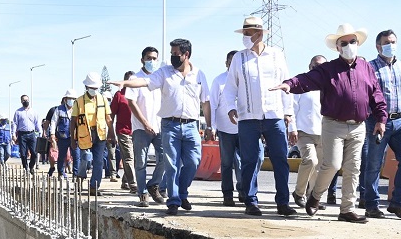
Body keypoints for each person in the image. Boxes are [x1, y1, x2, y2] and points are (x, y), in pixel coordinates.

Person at [273, 23, 388, 224]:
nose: (349, 45)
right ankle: (316, 196)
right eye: (344, 43)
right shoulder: (328, 69)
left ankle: (347, 209)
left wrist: (381, 118)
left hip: (359, 126)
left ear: (358, 43)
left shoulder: (366, 68)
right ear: (337, 47)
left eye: (352, 41)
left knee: (353, 168)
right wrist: (289, 85)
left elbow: (376, 94)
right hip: (333, 125)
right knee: (332, 164)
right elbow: (307, 79)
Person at [113, 38, 210, 216]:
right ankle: (172, 200)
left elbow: (206, 102)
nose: (172, 57)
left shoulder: (199, 75)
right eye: (172, 53)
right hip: (168, 125)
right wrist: (125, 83)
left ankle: (182, 192)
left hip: (190, 126)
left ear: (186, 55)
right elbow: (143, 82)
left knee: (193, 161)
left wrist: (210, 126)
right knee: (170, 164)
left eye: (176, 54)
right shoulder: (164, 73)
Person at [223, 17, 297, 217]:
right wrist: (230, 107)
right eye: (244, 33)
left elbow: (286, 84)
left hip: (274, 115)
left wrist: (288, 113)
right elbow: (231, 87)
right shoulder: (239, 58)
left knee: (280, 159)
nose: (246, 37)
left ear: (260, 33)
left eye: (249, 33)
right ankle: (251, 200)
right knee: (249, 160)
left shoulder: (276, 55)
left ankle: (283, 202)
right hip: (248, 117)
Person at [364, 29, 401, 220]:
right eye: (387, 42)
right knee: (374, 164)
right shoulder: (369, 68)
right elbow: (366, 96)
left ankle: (398, 203)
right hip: (378, 122)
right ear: (378, 46)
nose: (391, 45)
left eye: (393, 42)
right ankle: (371, 204)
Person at [126, 46, 166, 208]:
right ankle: (142, 193)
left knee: (165, 158)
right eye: (149, 58)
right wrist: (145, 123)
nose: (152, 61)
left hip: (159, 127)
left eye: (155, 58)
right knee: (140, 162)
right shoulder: (136, 79)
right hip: (141, 128)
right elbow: (131, 102)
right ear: (142, 59)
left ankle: (154, 184)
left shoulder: (159, 78)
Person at [291, 54, 329, 208]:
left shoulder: (330, 86)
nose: (318, 69)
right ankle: (298, 193)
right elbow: (292, 109)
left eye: (322, 66)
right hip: (303, 132)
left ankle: (313, 198)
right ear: (309, 66)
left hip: (324, 133)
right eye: (315, 66)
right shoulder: (301, 84)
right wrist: (292, 129)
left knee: (318, 169)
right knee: (310, 161)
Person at [70, 72, 115, 195]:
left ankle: (94, 186)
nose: (94, 90)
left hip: (100, 134)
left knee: (99, 161)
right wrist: (72, 139)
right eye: (92, 88)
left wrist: (112, 135)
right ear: (86, 87)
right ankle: (80, 175)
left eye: (96, 88)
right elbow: (73, 121)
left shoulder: (103, 99)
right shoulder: (79, 102)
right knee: (86, 158)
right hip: (84, 135)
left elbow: (108, 119)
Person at [210, 50, 242, 206]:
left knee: (246, 162)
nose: (232, 64)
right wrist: (213, 126)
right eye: (230, 62)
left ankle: (244, 191)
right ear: (226, 63)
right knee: (227, 163)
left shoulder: (245, 79)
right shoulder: (219, 81)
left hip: (245, 129)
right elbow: (213, 105)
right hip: (225, 129)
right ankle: (228, 194)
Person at [111, 71, 137, 193]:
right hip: (123, 131)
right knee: (128, 158)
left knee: (136, 158)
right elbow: (111, 115)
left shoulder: (139, 95)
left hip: (137, 131)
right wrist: (110, 133)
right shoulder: (119, 96)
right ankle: (133, 184)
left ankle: (125, 181)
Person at [48, 90, 76, 178]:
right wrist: (52, 134)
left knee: (76, 155)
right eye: (69, 98)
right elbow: (53, 122)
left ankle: (76, 174)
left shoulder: (77, 109)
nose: (71, 100)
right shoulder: (59, 109)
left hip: (75, 137)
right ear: (65, 99)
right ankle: (61, 172)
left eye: (73, 99)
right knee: (62, 156)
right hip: (63, 137)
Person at [12, 94, 41, 173]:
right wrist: (13, 134)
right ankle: (25, 167)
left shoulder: (33, 112)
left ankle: (31, 166)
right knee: (23, 153)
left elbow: (37, 123)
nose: (26, 101)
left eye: (27, 100)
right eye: (24, 100)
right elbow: (14, 123)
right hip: (22, 134)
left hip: (32, 134)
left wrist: (41, 133)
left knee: (34, 153)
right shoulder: (18, 112)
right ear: (21, 101)